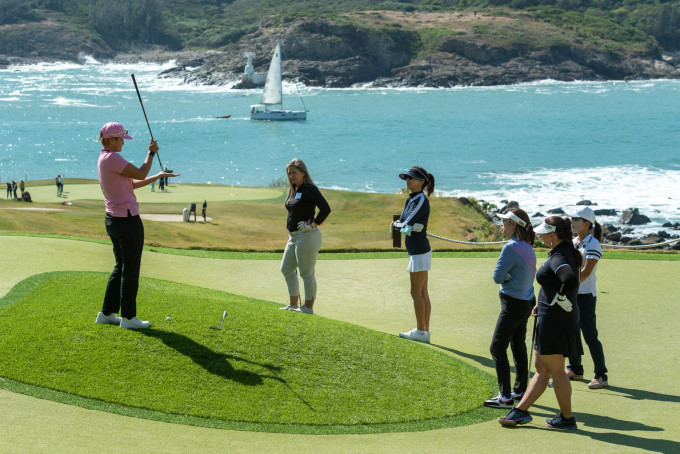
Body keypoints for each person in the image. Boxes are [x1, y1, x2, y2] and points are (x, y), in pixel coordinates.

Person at [499, 216, 583, 430]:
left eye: (544, 233)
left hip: (555, 321)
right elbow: (559, 284)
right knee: (542, 368)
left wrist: (559, 300)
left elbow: (570, 280)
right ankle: (521, 411)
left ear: (553, 235)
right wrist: (546, 302)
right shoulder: (562, 252)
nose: (540, 235)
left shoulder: (559, 257)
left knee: (555, 370)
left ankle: (566, 418)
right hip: (551, 317)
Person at [94, 122, 179, 329]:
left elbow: (131, 183)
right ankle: (129, 318)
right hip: (127, 220)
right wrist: (151, 153)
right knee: (130, 270)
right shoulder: (113, 158)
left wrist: (157, 176)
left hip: (113, 219)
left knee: (120, 267)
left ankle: (106, 313)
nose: (123, 142)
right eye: (121, 138)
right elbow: (140, 173)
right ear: (111, 139)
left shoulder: (104, 158)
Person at [484, 208, 537, 409]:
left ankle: (505, 396)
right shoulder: (527, 245)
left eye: (504, 222)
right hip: (526, 302)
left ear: (513, 225)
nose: (501, 225)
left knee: (497, 347)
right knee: (517, 344)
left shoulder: (511, 247)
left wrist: (508, 278)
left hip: (512, 303)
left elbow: (497, 277)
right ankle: (521, 390)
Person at [279, 158, 331, 315]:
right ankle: (293, 305)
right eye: (289, 173)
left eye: (294, 172)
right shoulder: (294, 189)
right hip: (294, 237)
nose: (291, 176)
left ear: (303, 172)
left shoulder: (310, 188)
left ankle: (308, 307)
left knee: (306, 273)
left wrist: (313, 224)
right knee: (286, 269)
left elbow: (325, 209)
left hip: (307, 236)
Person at [566, 206, 608, 389]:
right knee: (571, 332)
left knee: (590, 336)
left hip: (585, 296)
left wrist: (564, 284)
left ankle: (601, 375)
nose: (572, 223)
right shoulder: (574, 241)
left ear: (587, 223)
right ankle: (575, 368)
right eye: (572, 219)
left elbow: (585, 273)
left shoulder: (593, 244)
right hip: (573, 294)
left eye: (577, 220)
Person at [393, 166, 435, 344]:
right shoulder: (410, 199)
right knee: (422, 292)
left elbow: (403, 224)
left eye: (411, 178)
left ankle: (420, 331)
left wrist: (402, 226)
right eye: (407, 178)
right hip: (417, 250)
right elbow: (402, 223)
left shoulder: (420, 200)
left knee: (416, 292)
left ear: (421, 182)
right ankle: (424, 331)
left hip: (419, 251)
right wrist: (403, 226)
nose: (408, 181)